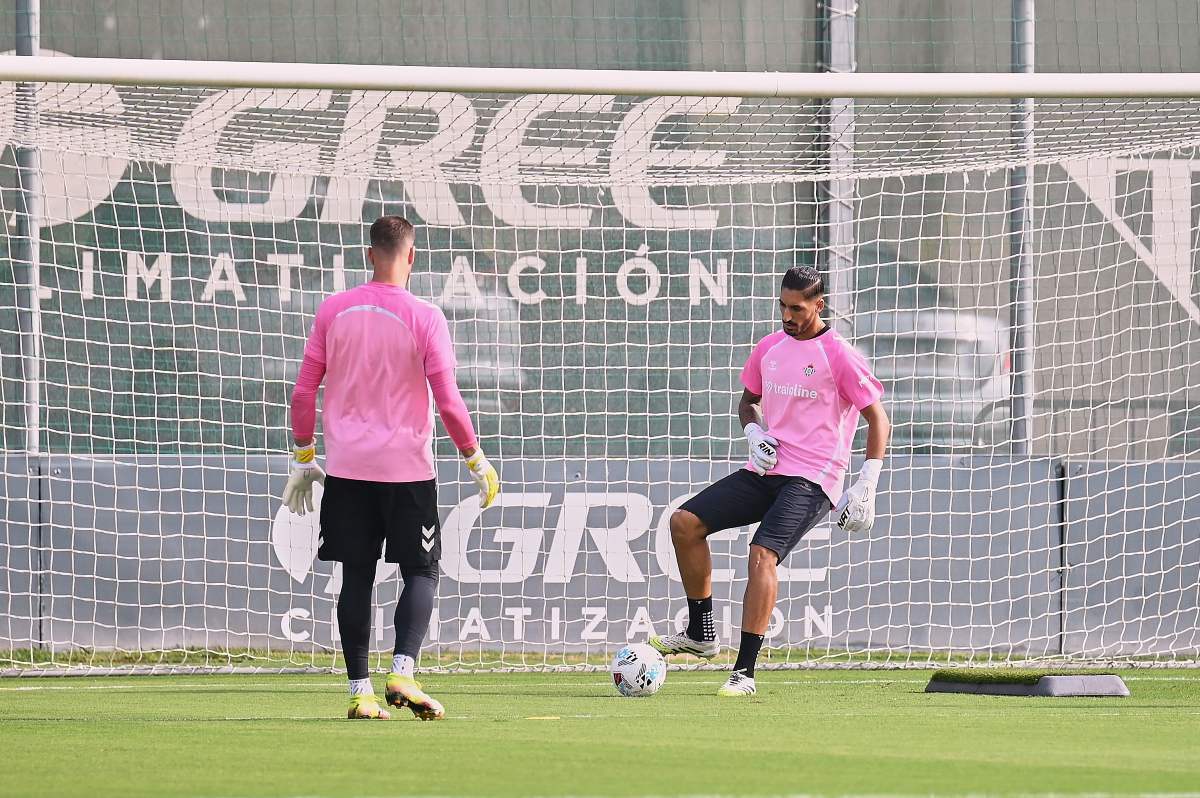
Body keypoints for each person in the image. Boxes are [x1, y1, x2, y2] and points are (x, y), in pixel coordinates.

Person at [282, 215, 499, 720]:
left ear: (368, 255)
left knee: (355, 577)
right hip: (407, 473)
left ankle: (360, 692)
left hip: (348, 472)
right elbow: (447, 400)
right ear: (412, 256)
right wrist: (475, 457)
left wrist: (304, 456)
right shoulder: (426, 317)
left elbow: (302, 392)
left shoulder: (333, 309)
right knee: (421, 570)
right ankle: (402, 669)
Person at [650, 265, 890, 697]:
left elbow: (877, 418)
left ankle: (744, 672)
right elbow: (748, 402)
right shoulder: (769, 347)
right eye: (782, 305)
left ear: (819, 305)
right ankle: (702, 633)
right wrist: (754, 432)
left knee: (762, 554)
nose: (787, 315)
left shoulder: (839, 354)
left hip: (813, 479)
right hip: (767, 470)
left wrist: (866, 482)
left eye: (797, 308)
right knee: (684, 522)